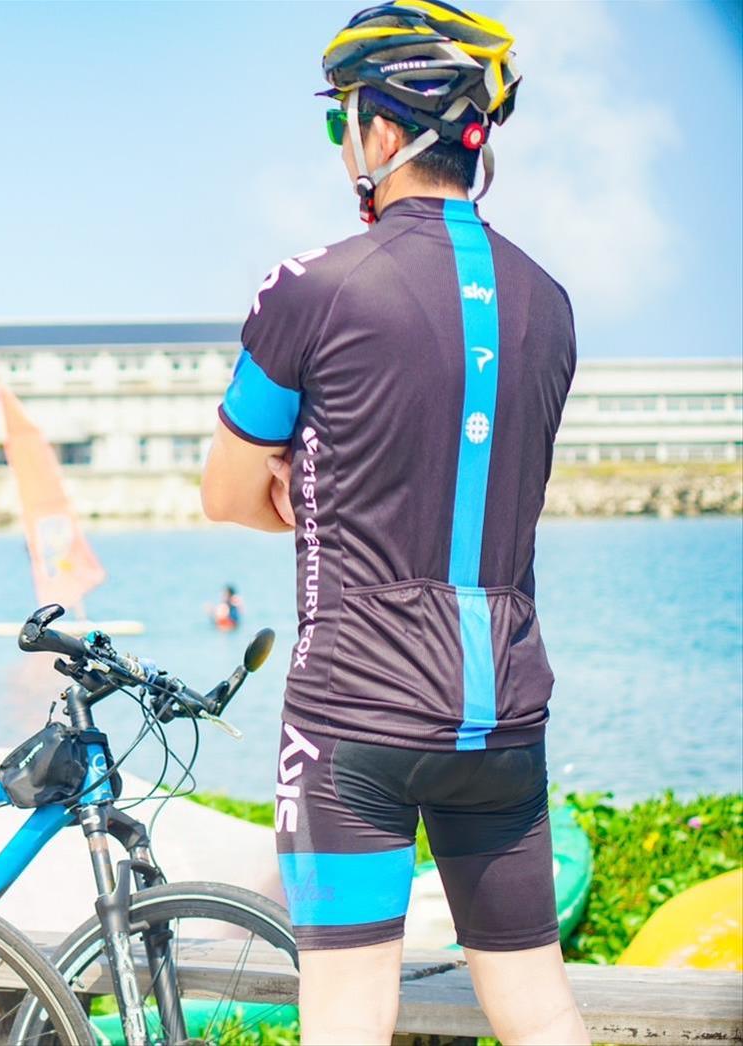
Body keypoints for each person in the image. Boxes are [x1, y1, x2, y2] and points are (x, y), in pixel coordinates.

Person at [200, 4, 586, 1043]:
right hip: (504, 706)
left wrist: (301, 480)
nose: (342, 145)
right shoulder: (550, 301)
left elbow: (223, 495)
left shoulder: (310, 286)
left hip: (352, 710)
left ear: (380, 132)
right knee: (539, 1005)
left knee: (346, 1013)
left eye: (341, 124)